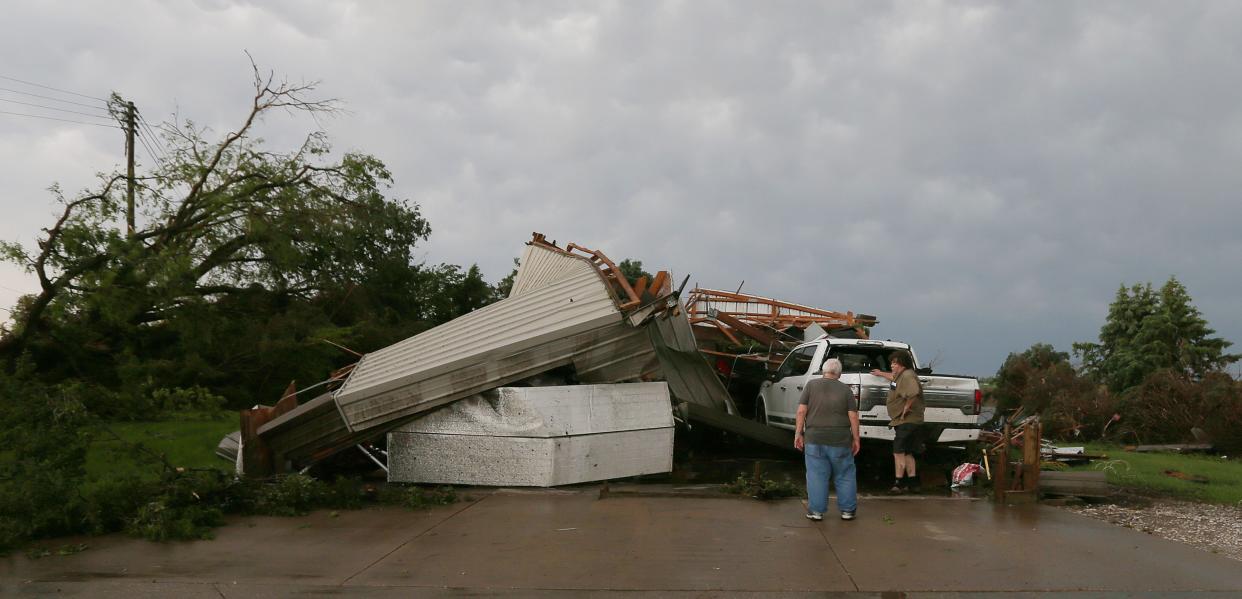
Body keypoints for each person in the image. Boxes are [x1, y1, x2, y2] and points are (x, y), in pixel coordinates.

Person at [795, 357, 860, 521]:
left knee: (816, 475)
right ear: (839, 373)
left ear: (824, 371)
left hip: (814, 437)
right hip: (840, 439)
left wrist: (798, 433)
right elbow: (853, 416)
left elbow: (801, 411)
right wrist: (856, 439)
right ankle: (847, 511)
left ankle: (816, 511)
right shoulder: (846, 390)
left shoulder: (811, 385)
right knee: (845, 474)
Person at [871, 351, 925, 493]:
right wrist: (880, 373)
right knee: (907, 451)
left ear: (902, 363)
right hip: (907, 421)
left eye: (894, 363)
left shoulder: (907, 375)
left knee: (898, 451)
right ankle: (913, 483)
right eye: (891, 363)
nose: (892, 365)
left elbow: (913, 391)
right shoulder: (901, 375)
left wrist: (906, 408)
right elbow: (893, 377)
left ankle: (898, 483)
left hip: (907, 421)